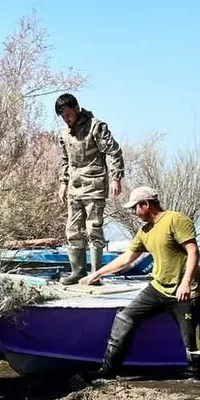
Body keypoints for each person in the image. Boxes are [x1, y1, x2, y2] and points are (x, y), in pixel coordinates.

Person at [80, 186, 200, 381]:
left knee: (192, 341)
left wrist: (186, 283)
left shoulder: (176, 220)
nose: (134, 212)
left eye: (135, 208)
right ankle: (107, 372)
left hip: (184, 291)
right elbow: (126, 259)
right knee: (125, 318)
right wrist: (96, 274)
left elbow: (193, 252)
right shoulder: (144, 231)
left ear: (145, 204)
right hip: (158, 288)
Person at [55, 93, 125, 285]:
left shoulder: (96, 127)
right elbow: (65, 160)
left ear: (77, 109)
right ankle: (77, 271)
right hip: (74, 187)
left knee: (93, 228)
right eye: (63, 117)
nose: (67, 119)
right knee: (73, 230)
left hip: (94, 185)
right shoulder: (64, 133)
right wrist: (63, 182)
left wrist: (116, 178)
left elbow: (113, 151)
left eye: (68, 114)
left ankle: (95, 274)